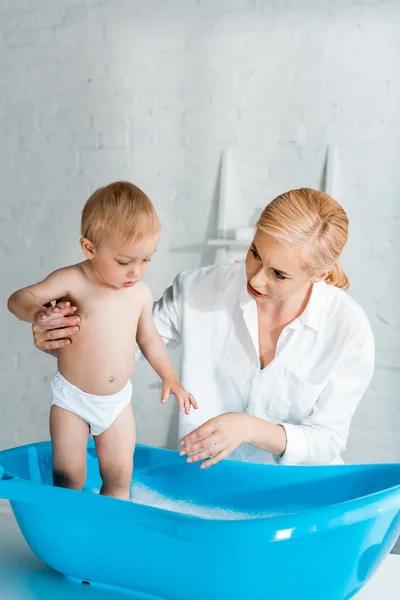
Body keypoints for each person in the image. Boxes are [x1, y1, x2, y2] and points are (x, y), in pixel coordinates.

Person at [31, 188, 374, 469]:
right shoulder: (198, 290)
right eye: (255, 254)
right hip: (201, 494)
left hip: (297, 497)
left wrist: (250, 429)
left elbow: (328, 440)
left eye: (279, 274)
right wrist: (62, 337)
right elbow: (123, 348)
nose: (254, 278)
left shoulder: (347, 329)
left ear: (319, 275)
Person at [7, 181, 197, 500]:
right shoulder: (72, 281)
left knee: (120, 474)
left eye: (146, 259)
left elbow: (148, 337)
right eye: (124, 262)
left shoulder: (139, 294)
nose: (136, 271)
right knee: (69, 475)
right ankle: (68, 528)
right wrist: (38, 314)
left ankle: (112, 532)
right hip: (73, 399)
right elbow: (19, 297)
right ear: (90, 248)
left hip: (117, 402)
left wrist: (170, 376)